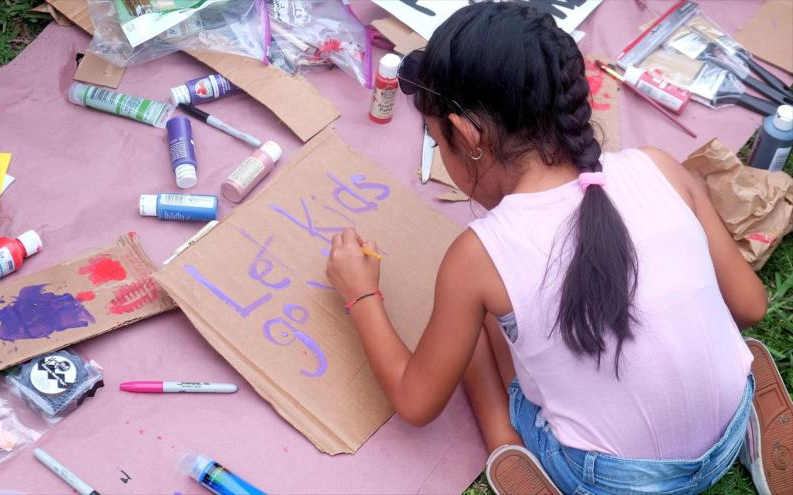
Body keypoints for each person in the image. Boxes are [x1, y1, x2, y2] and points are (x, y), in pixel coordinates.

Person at [325, 3, 792, 494]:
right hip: (728, 417)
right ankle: (746, 408)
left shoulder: (478, 257)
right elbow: (750, 304)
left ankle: (509, 446)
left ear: (468, 135)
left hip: (614, 480)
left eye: (437, 138)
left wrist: (361, 295)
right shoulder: (660, 167)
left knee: (483, 316)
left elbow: (416, 401)